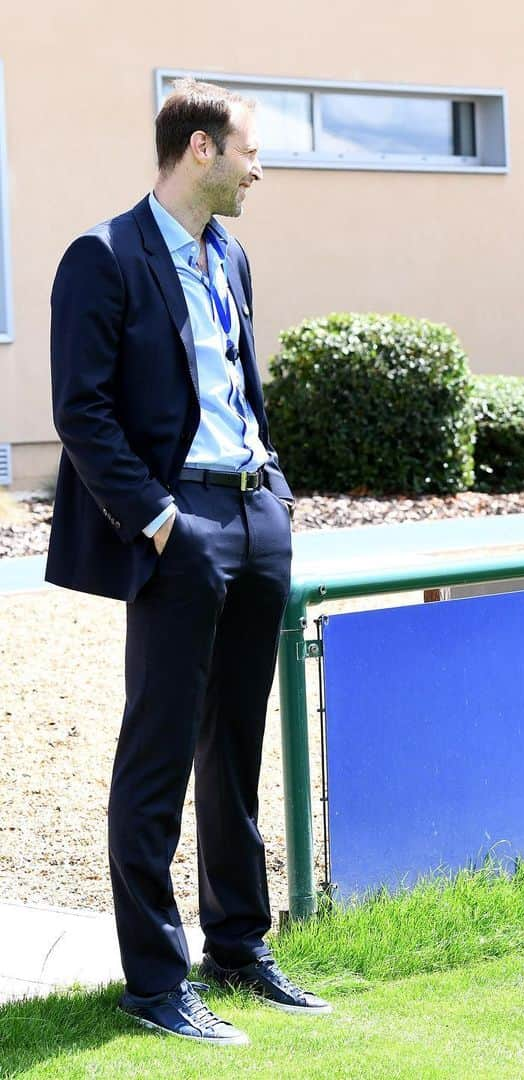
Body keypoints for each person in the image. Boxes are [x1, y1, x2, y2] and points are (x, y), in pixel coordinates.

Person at [47, 78, 329, 1045]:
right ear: (201, 150)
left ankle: (239, 949)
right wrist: (156, 519)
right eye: (252, 149)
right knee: (159, 753)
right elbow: (79, 410)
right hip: (178, 526)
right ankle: (156, 982)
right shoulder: (104, 255)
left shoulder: (234, 255)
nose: (263, 168)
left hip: (255, 517)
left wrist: (277, 492)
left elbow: (239, 391)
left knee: (236, 753)